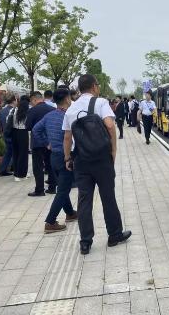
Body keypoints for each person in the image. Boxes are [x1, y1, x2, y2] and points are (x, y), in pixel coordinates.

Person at [63, 74, 131, 255]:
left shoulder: (71, 108)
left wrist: (68, 158)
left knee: (84, 200)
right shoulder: (100, 103)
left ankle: (85, 241)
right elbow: (109, 125)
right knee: (108, 197)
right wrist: (113, 150)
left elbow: (68, 137)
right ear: (94, 86)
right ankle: (114, 235)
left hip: (81, 161)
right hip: (102, 159)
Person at [33, 88, 77, 233]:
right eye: (70, 97)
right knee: (63, 190)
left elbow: (35, 130)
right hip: (65, 156)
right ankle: (50, 221)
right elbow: (70, 137)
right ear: (66, 99)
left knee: (62, 187)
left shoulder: (49, 116)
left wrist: (47, 143)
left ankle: (70, 213)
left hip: (53, 157)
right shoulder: (68, 116)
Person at [26, 91, 56, 196]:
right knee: (51, 164)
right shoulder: (52, 109)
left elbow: (28, 126)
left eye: (31, 102)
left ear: (34, 99)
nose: (31, 104)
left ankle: (39, 190)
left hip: (37, 142)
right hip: (50, 141)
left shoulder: (32, 111)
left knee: (38, 166)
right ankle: (52, 188)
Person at [11, 95, 30, 182]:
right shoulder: (27, 111)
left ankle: (16, 173)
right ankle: (22, 174)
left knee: (16, 153)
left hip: (14, 132)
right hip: (23, 132)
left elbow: (9, 119)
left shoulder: (14, 110)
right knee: (23, 154)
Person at [0, 95, 17, 176]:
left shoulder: (2, 111)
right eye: (16, 100)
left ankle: (3, 169)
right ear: (13, 101)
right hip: (12, 134)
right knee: (13, 152)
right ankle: (12, 169)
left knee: (8, 152)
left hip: (5, 133)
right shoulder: (14, 111)